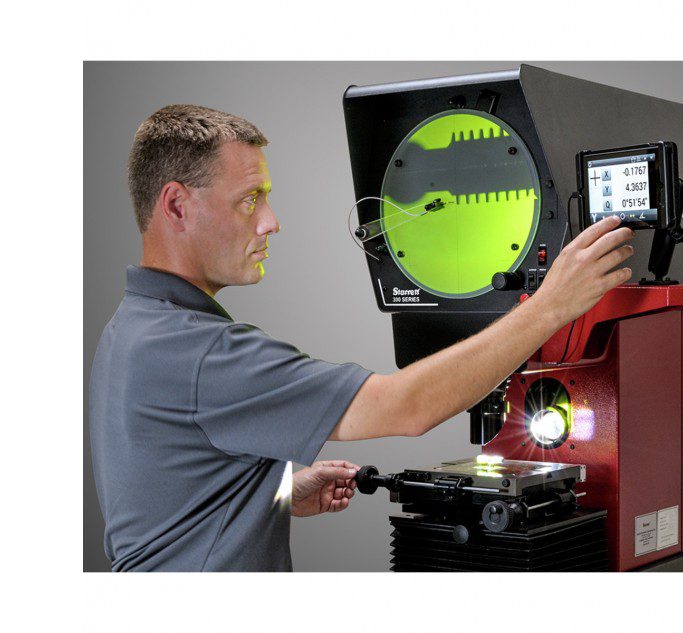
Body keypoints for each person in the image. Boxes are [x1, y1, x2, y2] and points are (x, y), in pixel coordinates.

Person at [89, 104, 634, 572]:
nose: (271, 221)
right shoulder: (202, 353)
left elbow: (165, 484)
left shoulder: (131, 329)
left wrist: (271, 494)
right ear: (177, 206)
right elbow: (405, 407)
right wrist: (551, 306)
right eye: (249, 199)